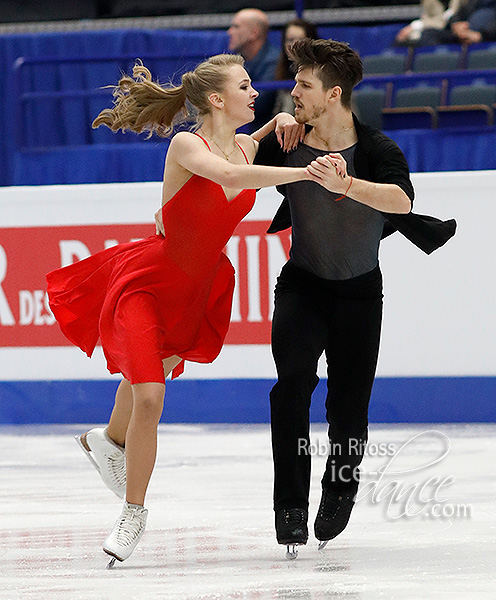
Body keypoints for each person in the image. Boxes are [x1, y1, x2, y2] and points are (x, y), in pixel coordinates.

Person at [46, 54, 321, 567]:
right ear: (217, 99)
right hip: (149, 283)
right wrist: (304, 170)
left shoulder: (243, 141)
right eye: (245, 86)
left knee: (150, 369)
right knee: (150, 393)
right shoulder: (187, 144)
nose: (254, 92)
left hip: (197, 288)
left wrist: (281, 121)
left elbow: (245, 148)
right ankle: (133, 512)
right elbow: (226, 173)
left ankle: (107, 441)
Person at [253, 38, 456, 557]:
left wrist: (347, 186)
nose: (292, 91)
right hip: (302, 285)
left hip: (360, 295)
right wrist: (267, 127)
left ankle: (339, 490)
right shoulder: (289, 137)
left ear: (333, 93)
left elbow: (401, 200)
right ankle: (290, 506)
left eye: (303, 84)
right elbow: (233, 161)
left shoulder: (376, 149)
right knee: (291, 386)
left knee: (348, 406)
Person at [228, 8, 279, 130]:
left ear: (253, 33)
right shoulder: (242, 62)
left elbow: (258, 104)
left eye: (236, 27)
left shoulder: (273, 62)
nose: (229, 32)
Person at [273, 18, 319, 115]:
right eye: (290, 40)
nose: (294, 45)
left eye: (301, 40)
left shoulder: (321, 73)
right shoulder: (281, 70)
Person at [395, 0, 462, 45]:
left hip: (454, 30)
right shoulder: (429, 1)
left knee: (428, 34)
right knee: (401, 39)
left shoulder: (457, 2)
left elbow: (443, 22)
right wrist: (413, 31)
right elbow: (426, 18)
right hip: (433, 29)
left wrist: (413, 27)